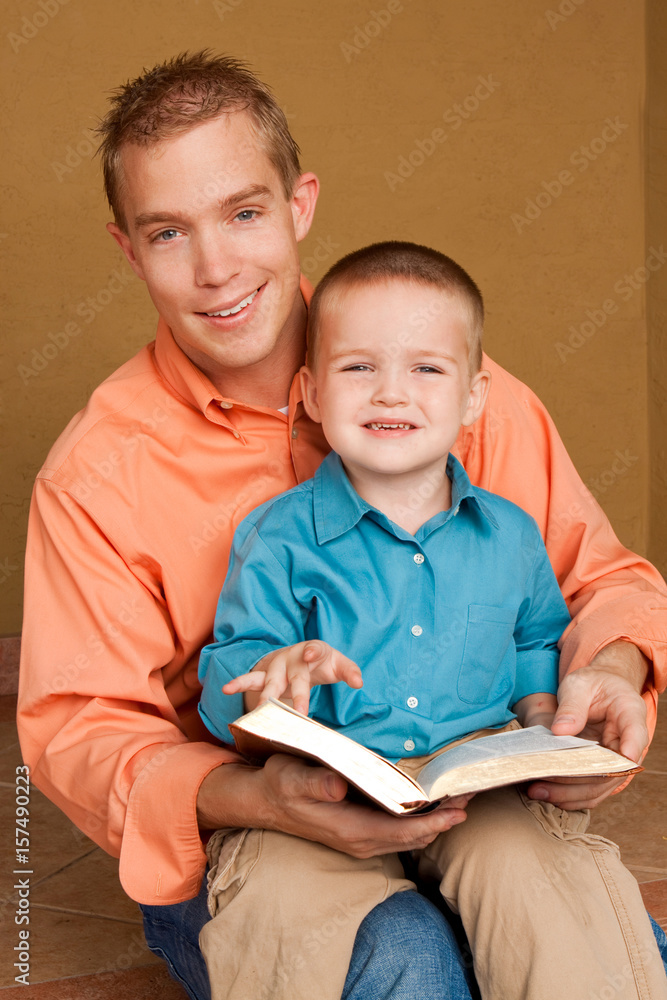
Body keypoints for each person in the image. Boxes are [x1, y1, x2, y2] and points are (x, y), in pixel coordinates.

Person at [16, 51, 667, 1000]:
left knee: (596, 941)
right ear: (128, 249)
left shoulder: (452, 386)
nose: (215, 269)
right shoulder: (94, 475)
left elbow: (596, 581)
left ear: (299, 206)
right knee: (413, 959)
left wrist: (607, 672)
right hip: (258, 831)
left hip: (477, 806)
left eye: (244, 213)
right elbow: (82, 730)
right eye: (168, 233)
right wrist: (257, 796)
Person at [196, 241, 667, 1000]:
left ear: (474, 398)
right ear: (310, 392)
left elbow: (533, 639)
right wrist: (268, 678)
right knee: (279, 906)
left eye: (426, 369)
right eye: (359, 368)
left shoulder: (511, 534)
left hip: (479, 792)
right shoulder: (278, 536)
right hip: (323, 795)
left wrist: (541, 716)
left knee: (548, 894)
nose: (391, 394)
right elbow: (232, 663)